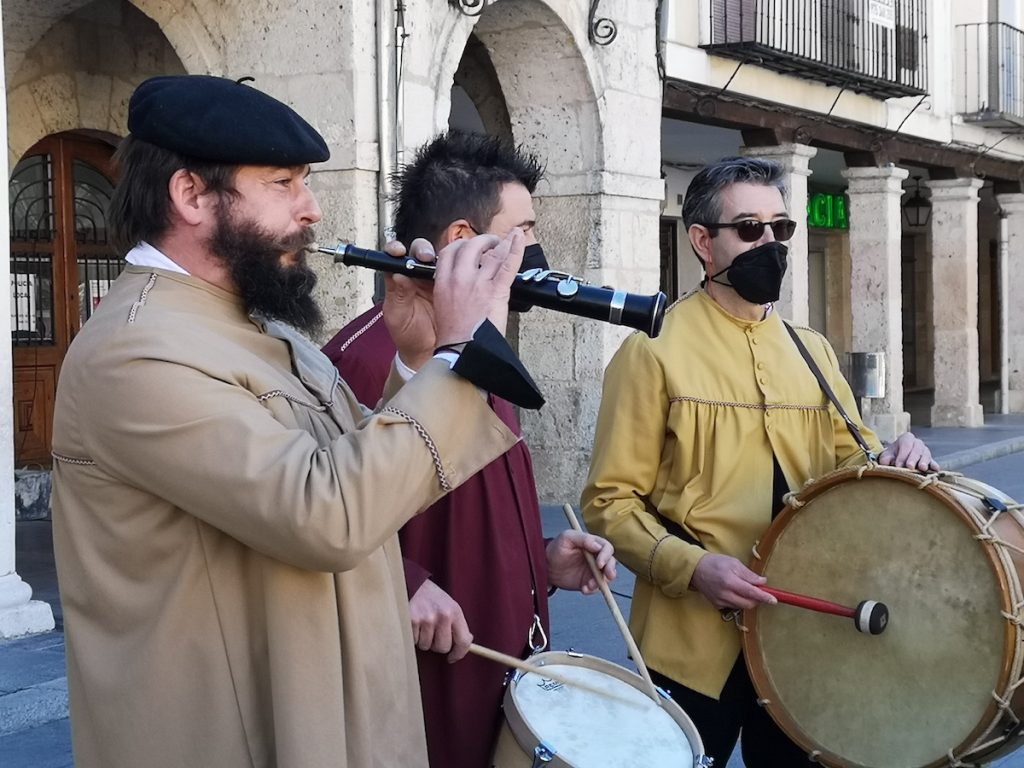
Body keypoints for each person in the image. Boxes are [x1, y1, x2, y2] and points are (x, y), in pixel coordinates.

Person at [50, 75, 532, 768]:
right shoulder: (135, 351)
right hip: (239, 732)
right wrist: (463, 357)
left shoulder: (263, 328)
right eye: (283, 182)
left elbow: (363, 470)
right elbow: (325, 514)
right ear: (191, 195)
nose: (310, 209)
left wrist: (421, 354)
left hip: (333, 714)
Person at [581, 156, 937, 767]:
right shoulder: (652, 351)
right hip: (688, 644)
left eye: (780, 229)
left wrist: (896, 464)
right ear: (702, 242)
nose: (768, 243)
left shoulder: (812, 350)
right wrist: (692, 567)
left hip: (801, 636)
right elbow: (608, 502)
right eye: (749, 228)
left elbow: (850, 466)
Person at [322, 131, 616, 768]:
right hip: (431, 693)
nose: (534, 251)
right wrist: (402, 584)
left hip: (501, 680)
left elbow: (469, 516)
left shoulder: (478, 344)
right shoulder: (364, 358)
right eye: (523, 230)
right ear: (462, 242)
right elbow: (323, 516)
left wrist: (544, 562)